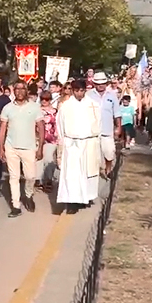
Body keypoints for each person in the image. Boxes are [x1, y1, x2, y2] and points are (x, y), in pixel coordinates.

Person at [0, 80, 44, 217]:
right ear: (13, 91)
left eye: (22, 89)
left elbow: (41, 127)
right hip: (11, 146)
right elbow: (2, 129)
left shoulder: (35, 107)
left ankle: (28, 195)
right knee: (14, 177)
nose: (19, 91)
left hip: (29, 147)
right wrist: (1, 148)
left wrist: (40, 147)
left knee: (30, 176)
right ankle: (16, 205)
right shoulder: (7, 108)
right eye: (17, 89)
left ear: (27, 91)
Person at [56, 79, 102, 210]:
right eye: (76, 91)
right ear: (72, 90)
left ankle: (85, 197)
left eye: (82, 91)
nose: (79, 94)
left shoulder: (93, 104)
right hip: (72, 143)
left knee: (87, 173)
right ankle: (72, 202)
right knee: (72, 174)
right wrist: (62, 142)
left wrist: (97, 140)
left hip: (89, 142)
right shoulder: (65, 106)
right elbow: (60, 125)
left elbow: (99, 123)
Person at [87, 71, 121, 178]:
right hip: (92, 130)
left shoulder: (112, 95)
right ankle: (94, 171)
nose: (101, 85)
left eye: (103, 83)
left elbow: (117, 113)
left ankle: (108, 168)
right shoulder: (88, 95)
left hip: (107, 129)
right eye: (98, 83)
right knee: (93, 153)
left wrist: (118, 127)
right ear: (94, 84)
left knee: (109, 151)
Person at [37, 90, 59, 192]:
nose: (44, 101)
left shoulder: (55, 111)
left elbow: (58, 124)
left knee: (49, 159)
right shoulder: (35, 110)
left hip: (51, 139)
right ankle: (39, 180)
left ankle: (49, 179)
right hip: (37, 137)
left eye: (47, 99)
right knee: (39, 159)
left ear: (50, 100)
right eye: (42, 99)